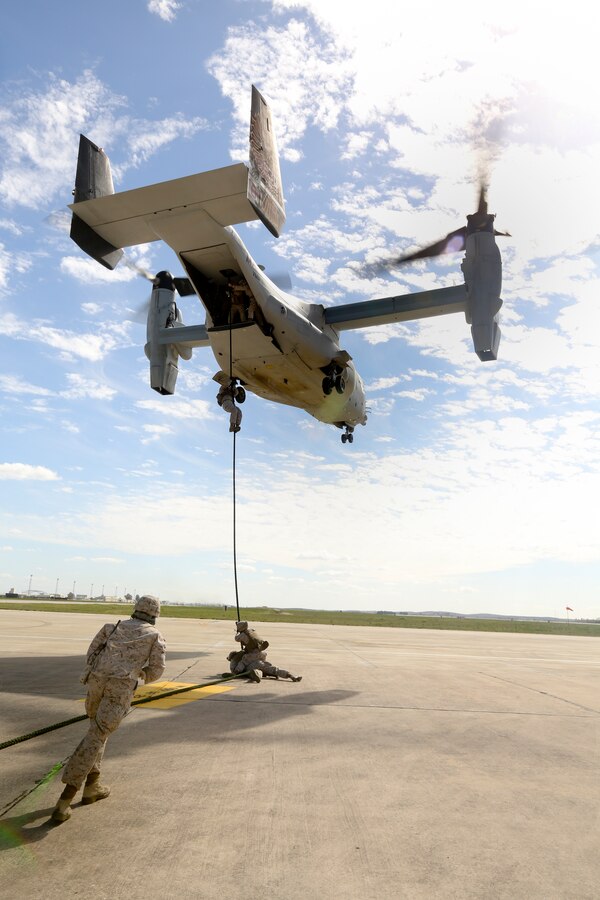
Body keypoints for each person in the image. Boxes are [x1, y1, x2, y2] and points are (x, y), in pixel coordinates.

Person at [50, 595, 166, 824]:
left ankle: (92, 786)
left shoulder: (111, 627)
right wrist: (140, 674)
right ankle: (64, 800)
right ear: (155, 614)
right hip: (119, 690)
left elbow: (91, 654)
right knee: (95, 736)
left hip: (95, 684)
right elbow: (156, 669)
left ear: (135, 609)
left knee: (97, 732)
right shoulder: (154, 635)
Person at [226, 620, 302, 683]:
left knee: (242, 662)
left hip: (251, 657)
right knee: (273, 669)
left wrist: (237, 632)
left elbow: (236, 638)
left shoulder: (242, 635)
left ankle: (236, 672)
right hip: (260, 655)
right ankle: (290, 675)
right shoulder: (252, 631)